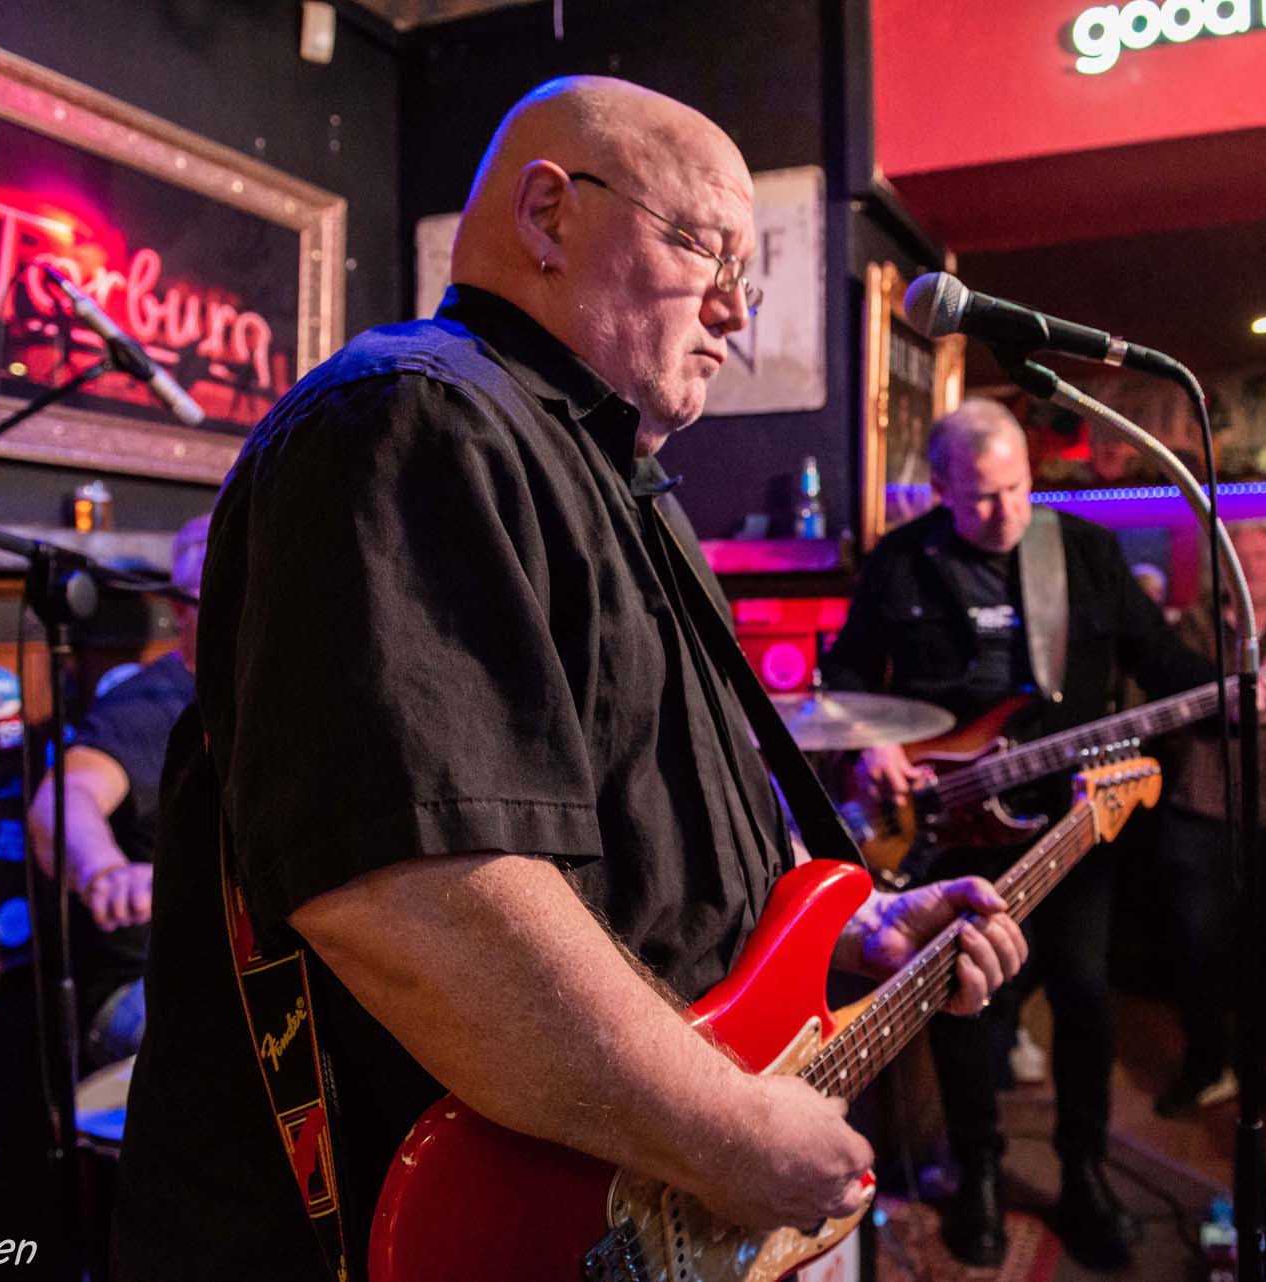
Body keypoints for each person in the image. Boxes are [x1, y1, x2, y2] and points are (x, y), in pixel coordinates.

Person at [113, 78, 1026, 1282]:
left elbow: (658, 842)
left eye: (747, 277)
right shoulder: (412, 416)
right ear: (548, 214)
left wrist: (857, 930)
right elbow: (420, 890)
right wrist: (726, 1128)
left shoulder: (621, 480)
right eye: (704, 249)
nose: (733, 308)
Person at [820, 399, 1214, 1271]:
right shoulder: (901, 561)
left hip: (1069, 819)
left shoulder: (1084, 550)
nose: (1006, 513)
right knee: (965, 1003)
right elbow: (844, 670)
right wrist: (873, 744)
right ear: (941, 488)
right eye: (982, 498)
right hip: (950, 824)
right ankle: (980, 1176)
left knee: (1083, 993)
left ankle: (1084, 1173)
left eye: (1018, 489)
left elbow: (1158, 661)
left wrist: (1241, 690)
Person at [1152, 521, 1266, 1119]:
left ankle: (1256, 1067)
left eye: (1261, 555)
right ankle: (1205, 1064)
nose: (1250, 565)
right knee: (1196, 947)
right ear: (1221, 569)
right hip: (1200, 809)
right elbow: (1177, 701)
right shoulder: (1193, 630)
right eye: (1239, 556)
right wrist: (1252, 702)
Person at [27, 514, 206, 1068]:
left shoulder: (271, 699)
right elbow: (61, 801)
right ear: (180, 608)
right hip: (142, 988)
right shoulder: (148, 707)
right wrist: (104, 870)